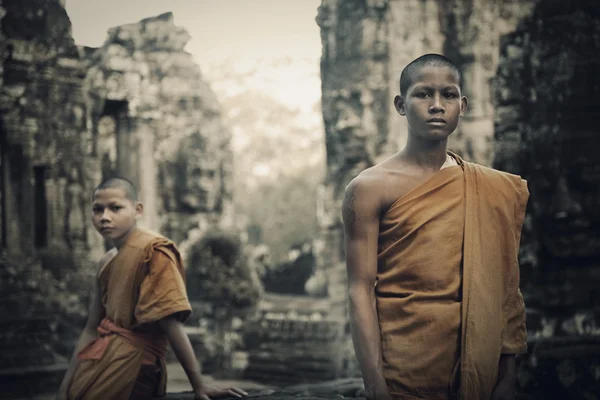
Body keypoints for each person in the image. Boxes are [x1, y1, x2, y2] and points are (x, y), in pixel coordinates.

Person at [342, 54, 528, 400]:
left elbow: (506, 288)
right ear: (401, 104)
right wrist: (375, 384)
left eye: (449, 95)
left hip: (480, 372)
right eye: (424, 94)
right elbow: (360, 289)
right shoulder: (370, 188)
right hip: (405, 369)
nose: (438, 106)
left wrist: (507, 377)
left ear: (464, 105)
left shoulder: (493, 188)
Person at [57, 177, 248, 400]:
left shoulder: (154, 251)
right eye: (97, 210)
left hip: (137, 368)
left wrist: (199, 385)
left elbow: (171, 323)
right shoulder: (106, 261)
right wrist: (65, 388)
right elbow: (91, 328)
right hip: (99, 362)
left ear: (137, 210)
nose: (105, 217)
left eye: (116, 208)